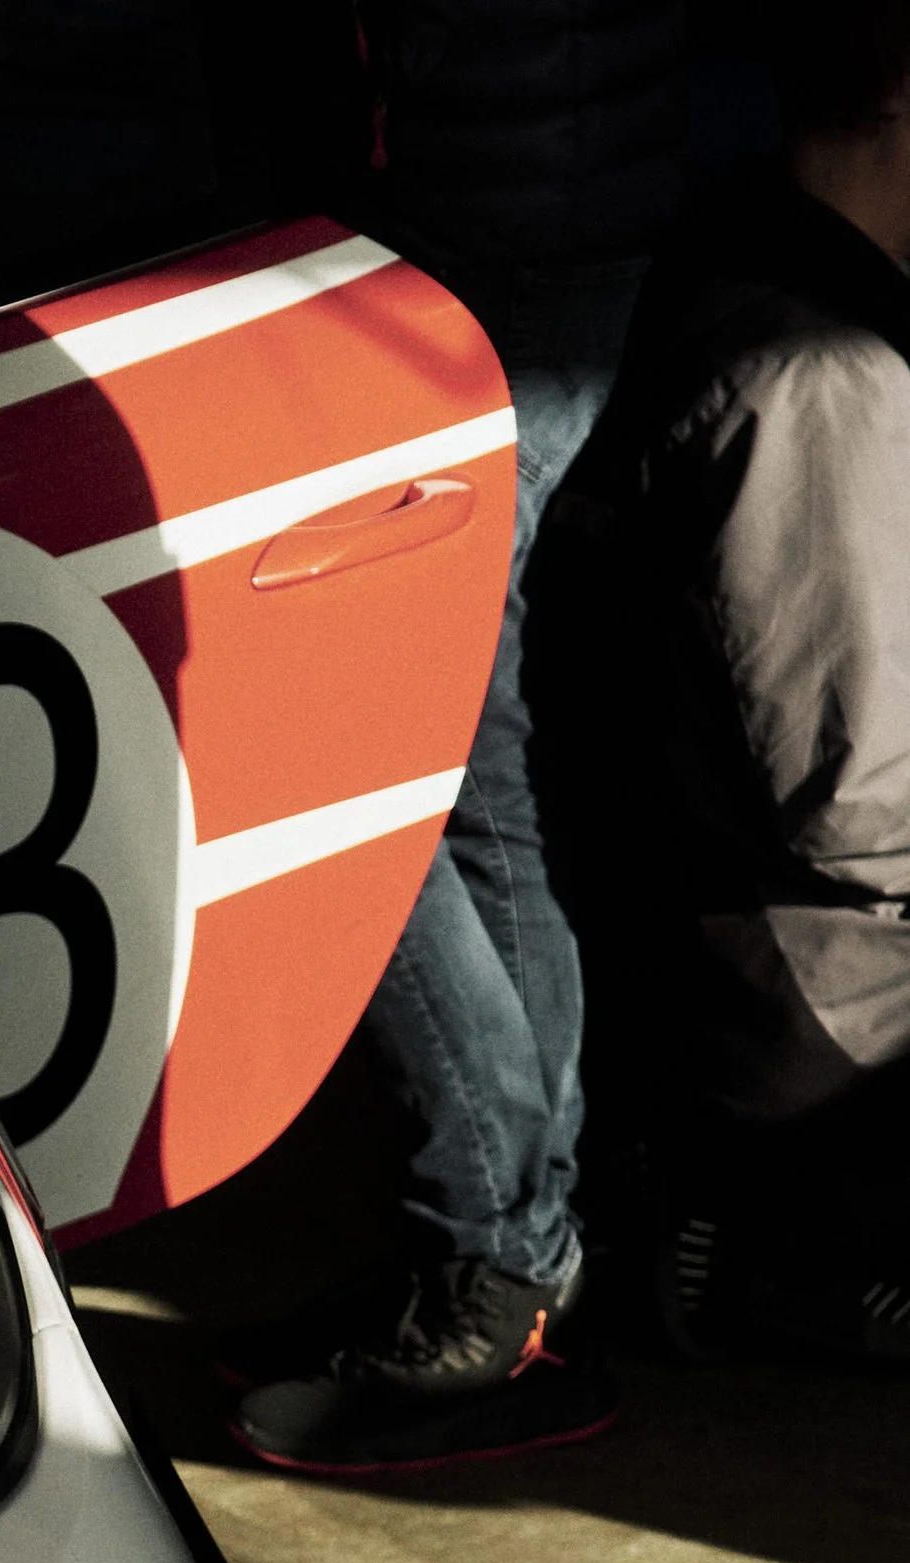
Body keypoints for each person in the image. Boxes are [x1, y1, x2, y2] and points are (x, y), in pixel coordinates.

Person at [231, 1, 689, 1478]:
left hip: (482, 227)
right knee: (468, 739)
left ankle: (488, 1253)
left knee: (356, 756)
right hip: (536, 207)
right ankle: (513, 1256)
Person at [551, 0, 910, 1360]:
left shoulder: (738, 264)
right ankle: (778, 1246)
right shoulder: (821, 372)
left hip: (733, 926)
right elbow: (857, 800)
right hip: (791, 968)